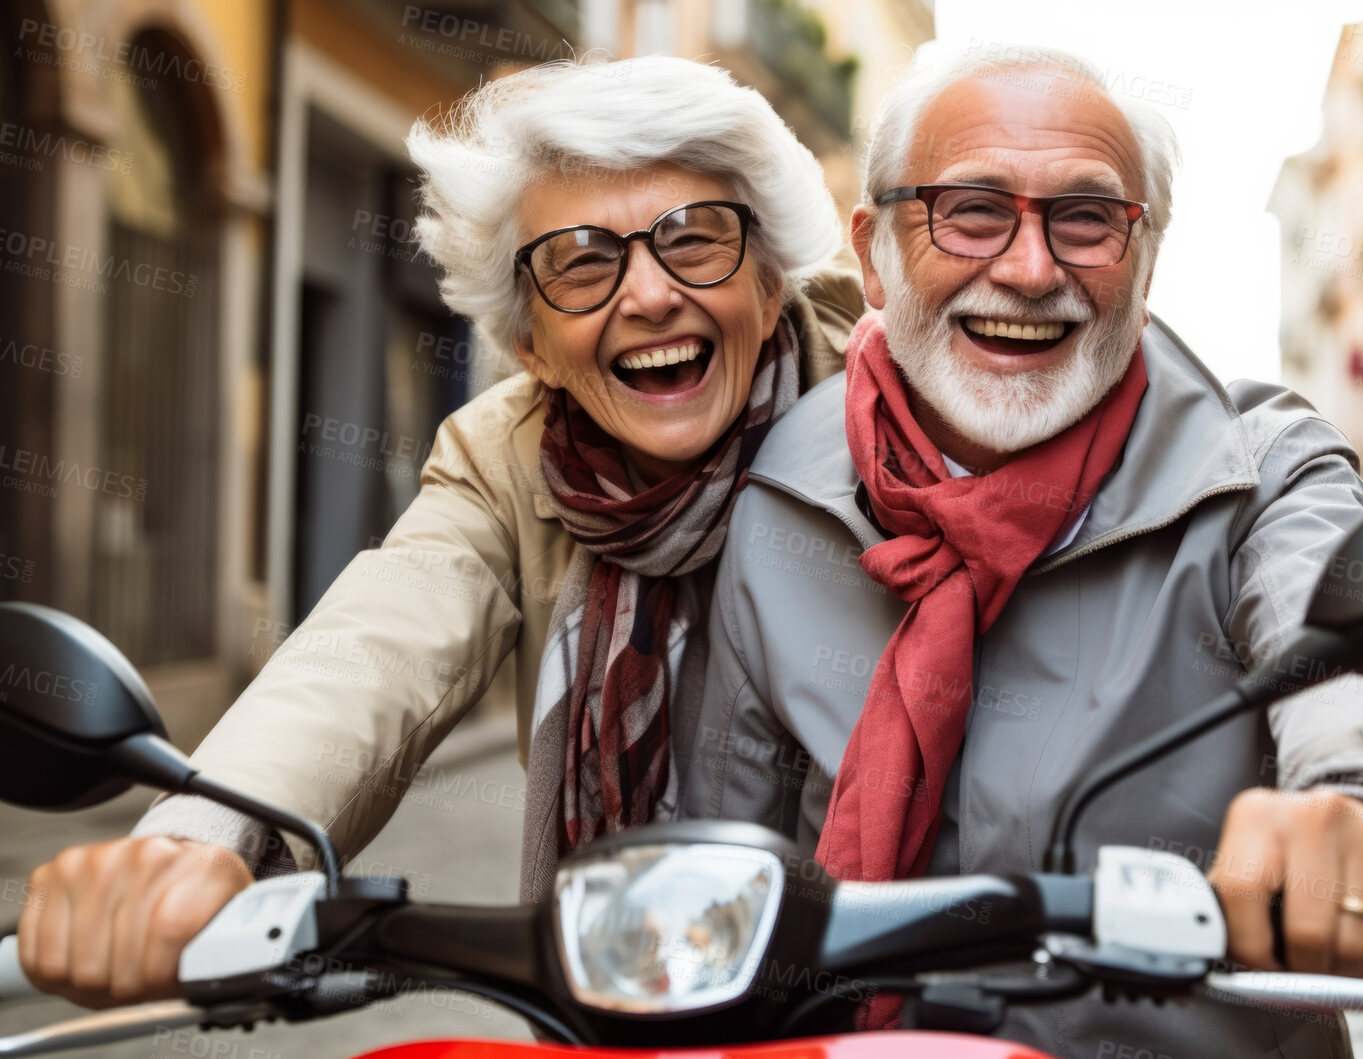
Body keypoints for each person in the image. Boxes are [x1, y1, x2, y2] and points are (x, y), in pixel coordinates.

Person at [677, 46, 1363, 1058]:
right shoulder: (783, 491)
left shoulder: (1260, 469)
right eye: (968, 209)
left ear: (1144, 266)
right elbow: (717, 856)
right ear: (874, 253)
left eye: (1086, 219)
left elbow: (1354, 651)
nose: (1027, 269)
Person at [16, 55, 863, 1009]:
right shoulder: (509, 454)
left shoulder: (893, 417)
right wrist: (200, 836)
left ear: (767, 275)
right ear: (529, 340)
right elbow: (377, 646)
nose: (648, 294)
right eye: (581, 259)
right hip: (618, 1005)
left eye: (694, 239)